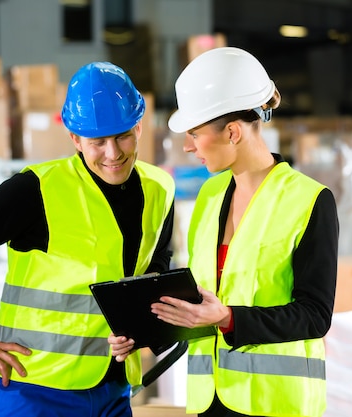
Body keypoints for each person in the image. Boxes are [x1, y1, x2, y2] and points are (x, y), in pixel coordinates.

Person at [0, 61, 176, 417]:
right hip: (30, 387)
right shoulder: (38, 189)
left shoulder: (159, 188)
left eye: (123, 136)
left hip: (113, 388)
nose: (113, 153)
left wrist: (140, 328)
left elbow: (155, 267)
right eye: (97, 142)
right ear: (74, 139)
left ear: (139, 126)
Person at [109, 47, 339, 417]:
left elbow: (314, 315)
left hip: (275, 404)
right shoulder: (210, 195)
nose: (188, 146)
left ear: (232, 132)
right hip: (209, 399)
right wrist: (144, 332)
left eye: (195, 133)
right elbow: (203, 300)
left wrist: (228, 318)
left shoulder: (309, 199)